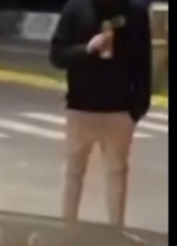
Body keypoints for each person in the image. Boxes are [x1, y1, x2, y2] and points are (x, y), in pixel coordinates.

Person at [49, 0, 152, 228]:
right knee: (73, 173)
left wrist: (137, 110)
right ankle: (68, 229)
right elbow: (57, 55)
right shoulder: (76, 8)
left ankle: (116, 232)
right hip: (80, 107)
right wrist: (87, 49)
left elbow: (143, 63)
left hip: (118, 111)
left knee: (116, 175)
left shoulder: (134, 11)